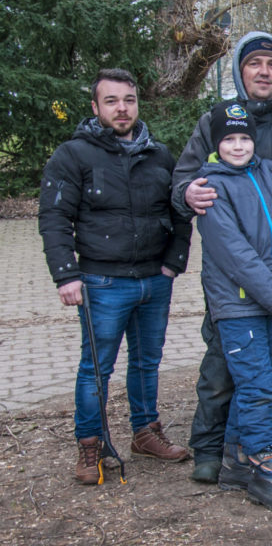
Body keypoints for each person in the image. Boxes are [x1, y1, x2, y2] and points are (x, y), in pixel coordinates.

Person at [173, 31, 272, 484]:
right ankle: (209, 447)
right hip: (233, 275)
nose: (263, 72)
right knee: (222, 363)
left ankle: (267, 443)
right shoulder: (213, 121)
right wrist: (185, 192)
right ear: (240, 70)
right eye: (254, 63)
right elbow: (184, 179)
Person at [38, 68, 192, 484]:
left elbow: (180, 211)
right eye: (111, 101)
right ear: (95, 107)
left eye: (128, 99)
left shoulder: (158, 154)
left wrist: (174, 261)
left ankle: (145, 431)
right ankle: (90, 447)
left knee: (147, 362)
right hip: (101, 282)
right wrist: (65, 275)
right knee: (96, 369)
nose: (121, 108)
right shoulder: (73, 155)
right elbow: (53, 217)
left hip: (154, 280)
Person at [194, 102, 272, 511]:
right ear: (216, 143)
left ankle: (236, 462)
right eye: (229, 139)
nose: (238, 146)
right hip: (242, 306)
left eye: (244, 138)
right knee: (259, 388)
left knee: (259, 383)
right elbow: (235, 253)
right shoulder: (209, 187)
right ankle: (265, 473)